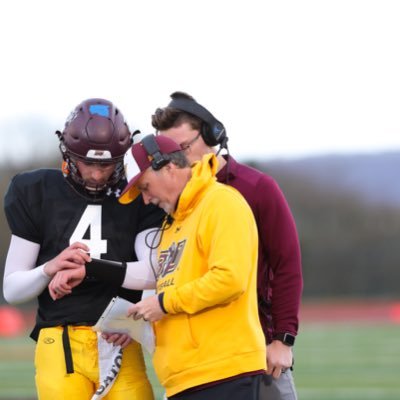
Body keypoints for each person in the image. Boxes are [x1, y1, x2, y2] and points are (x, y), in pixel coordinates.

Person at [2, 98, 164, 400]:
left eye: (106, 164)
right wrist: (49, 268)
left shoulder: (143, 194)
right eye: (88, 162)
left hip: (119, 341)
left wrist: (134, 318)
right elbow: (13, 289)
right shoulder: (35, 191)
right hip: (59, 341)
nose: (97, 174)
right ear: (67, 151)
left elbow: (155, 271)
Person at [150, 92, 303, 400]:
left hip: (255, 346)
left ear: (211, 135)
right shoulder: (166, 199)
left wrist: (282, 340)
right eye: (168, 152)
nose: (176, 160)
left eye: (182, 148)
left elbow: (286, 263)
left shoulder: (256, 188)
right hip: (199, 360)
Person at [120, 134, 266, 399]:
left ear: (168, 168)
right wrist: (140, 323)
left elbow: (229, 280)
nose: (145, 199)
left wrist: (162, 304)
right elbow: (177, 291)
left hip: (221, 371)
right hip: (187, 377)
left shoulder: (221, 203)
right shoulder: (173, 224)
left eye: (145, 186)